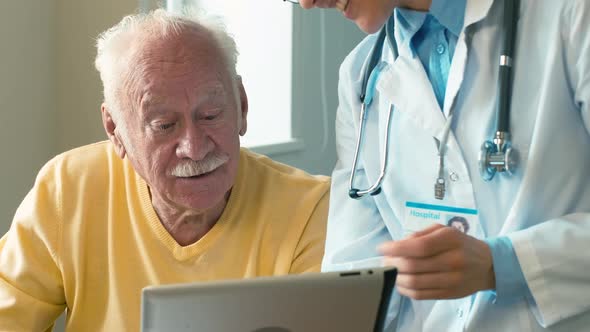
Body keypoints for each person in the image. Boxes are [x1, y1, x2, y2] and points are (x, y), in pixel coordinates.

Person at [0, 9, 330, 331]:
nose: (195, 147)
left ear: (242, 106)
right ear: (115, 130)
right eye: (164, 125)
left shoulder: (312, 209)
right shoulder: (68, 188)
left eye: (211, 115)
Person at [297, 0, 590, 331]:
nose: (307, 3)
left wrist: (503, 264)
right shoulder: (360, 77)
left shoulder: (570, 14)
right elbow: (352, 280)